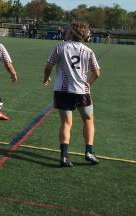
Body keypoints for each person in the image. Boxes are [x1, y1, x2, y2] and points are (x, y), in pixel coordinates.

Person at [43, 21, 101, 167]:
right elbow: (97, 73)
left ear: (71, 33)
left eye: (68, 30)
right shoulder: (88, 51)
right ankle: (89, 151)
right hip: (82, 91)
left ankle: (64, 156)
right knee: (88, 119)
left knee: (66, 123)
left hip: (63, 91)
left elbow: (49, 66)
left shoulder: (60, 47)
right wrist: (88, 83)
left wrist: (46, 78)